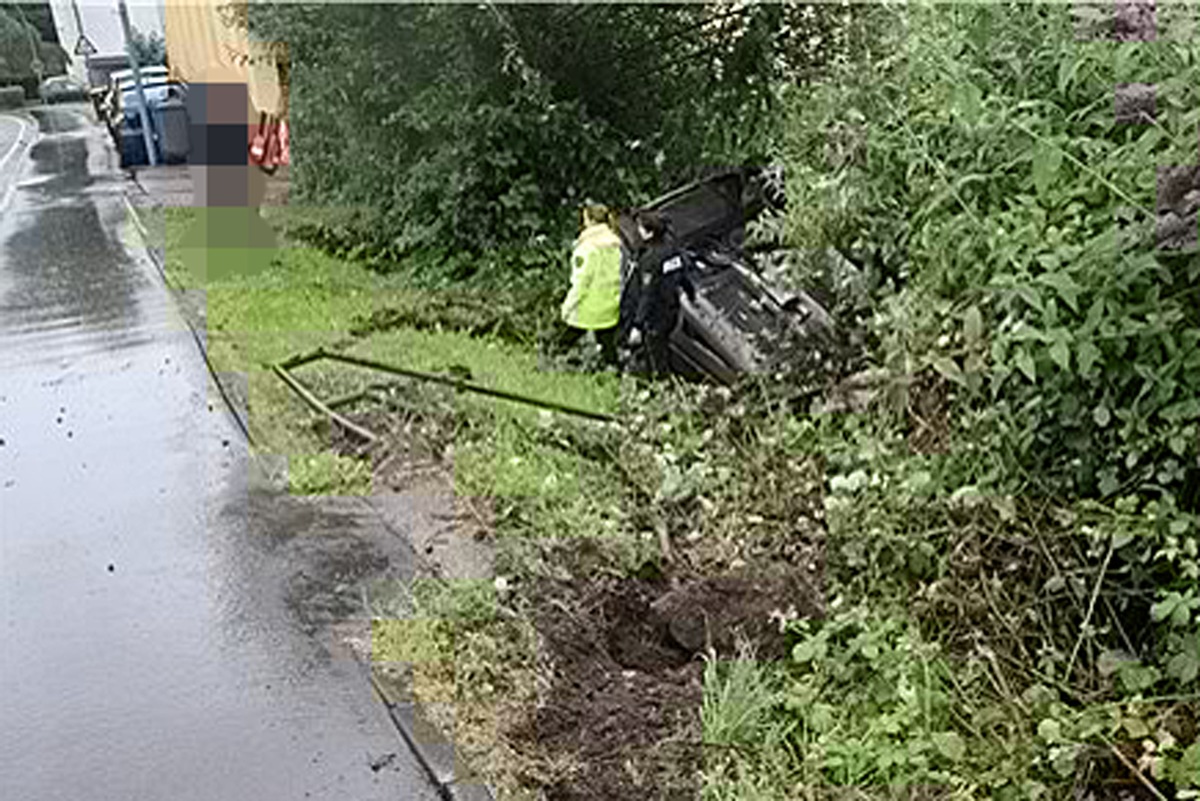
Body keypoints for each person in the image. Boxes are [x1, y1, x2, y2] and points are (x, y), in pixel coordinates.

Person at [621, 210, 694, 375]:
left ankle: (659, 383)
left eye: (640, 228)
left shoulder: (651, 259)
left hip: (655, 314)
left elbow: (648, 293)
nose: (638, 230)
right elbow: (682, 275)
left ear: (649, 233)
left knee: (655, 354)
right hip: (671, 308)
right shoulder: (672, 250)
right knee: (662, 347)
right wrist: (691, 294)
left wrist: (638, 325)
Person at [556, 203, 622, 366]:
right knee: (607, 343)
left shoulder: (587, 247)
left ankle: (553, 362)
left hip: (588, 307)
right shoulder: (615, 245)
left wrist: (567, 306)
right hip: (610, 305)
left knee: (567, 338)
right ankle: (613, 370)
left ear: (590, 221)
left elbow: (581, 283)